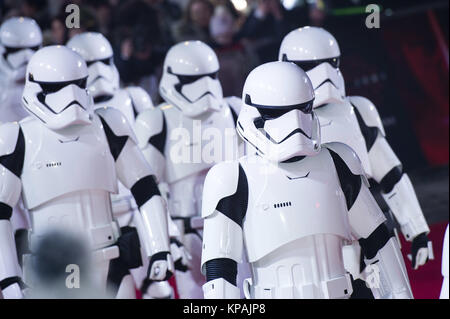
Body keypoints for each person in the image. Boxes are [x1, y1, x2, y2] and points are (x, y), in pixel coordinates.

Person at [201, 61, 413, 299]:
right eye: (277, 113)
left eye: (303, 109)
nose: (294, 124)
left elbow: (379, 241)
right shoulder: (232, 177)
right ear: (254, 112)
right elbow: (220, 273)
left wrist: (398, 294)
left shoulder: (339, 160)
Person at [0, 46, 173, 298]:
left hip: (111, 258)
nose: (70, 96)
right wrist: (8, 277)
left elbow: (146, 189)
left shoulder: (108, 124)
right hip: (52, 267)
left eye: (78, 84)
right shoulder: (17, 137)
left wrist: (159, 248)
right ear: (37, 87)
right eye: (57, 88)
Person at [278, 26, 432, 296]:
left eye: (331, 63)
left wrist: (418, 231)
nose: (324, 74)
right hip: (317, 246)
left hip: (370, 233)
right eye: (311, 66)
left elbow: (392, 176)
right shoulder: (274, 127)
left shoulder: (357, 111)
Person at [134, 40, 243, 298]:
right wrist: (165, 240)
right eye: (193, 79)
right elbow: (148, 191)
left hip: (237, 226)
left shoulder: (234, 109)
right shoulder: (156, 120)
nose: (205, 87)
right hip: (186, 232)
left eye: (210, 76)